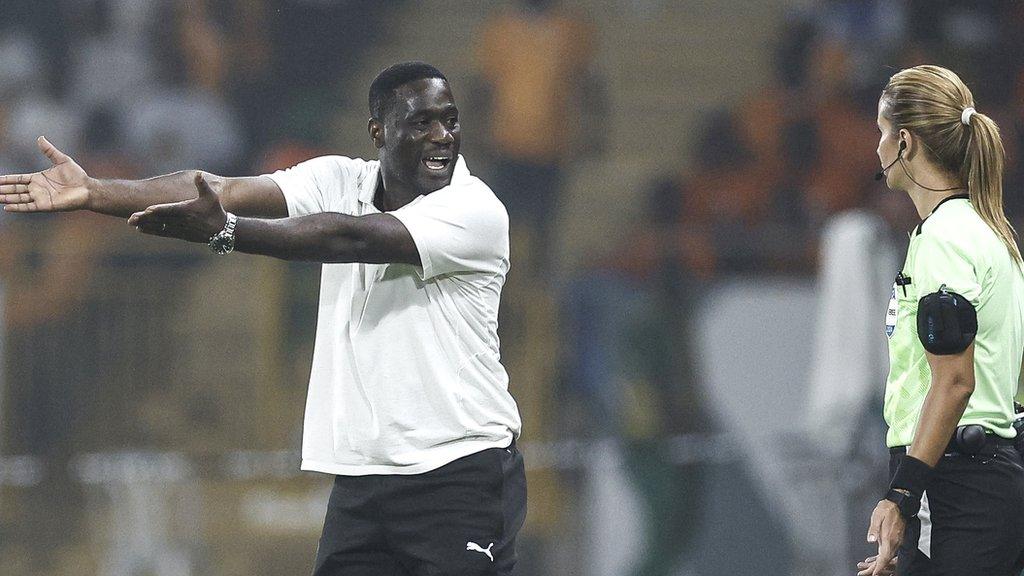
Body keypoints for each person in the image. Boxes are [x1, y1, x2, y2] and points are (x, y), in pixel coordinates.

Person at [0, 61, 527, 576]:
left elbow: (350, 237)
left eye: (450, 120)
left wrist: (226, 231)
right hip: (365, 480)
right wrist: (97, 192)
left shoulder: (474, 210)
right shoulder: (341, 178)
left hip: (461, 471)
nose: (442, 135)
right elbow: (214, 186)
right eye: (421, 122)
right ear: (378, 131)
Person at [860, 65, 1024, 576]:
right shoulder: (992, 235)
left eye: (882, 132)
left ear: (905, 141)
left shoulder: (943, 240)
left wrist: (902, 496)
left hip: (954, 480)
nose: (878, 148)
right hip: (989, 478)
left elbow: (953, 382)